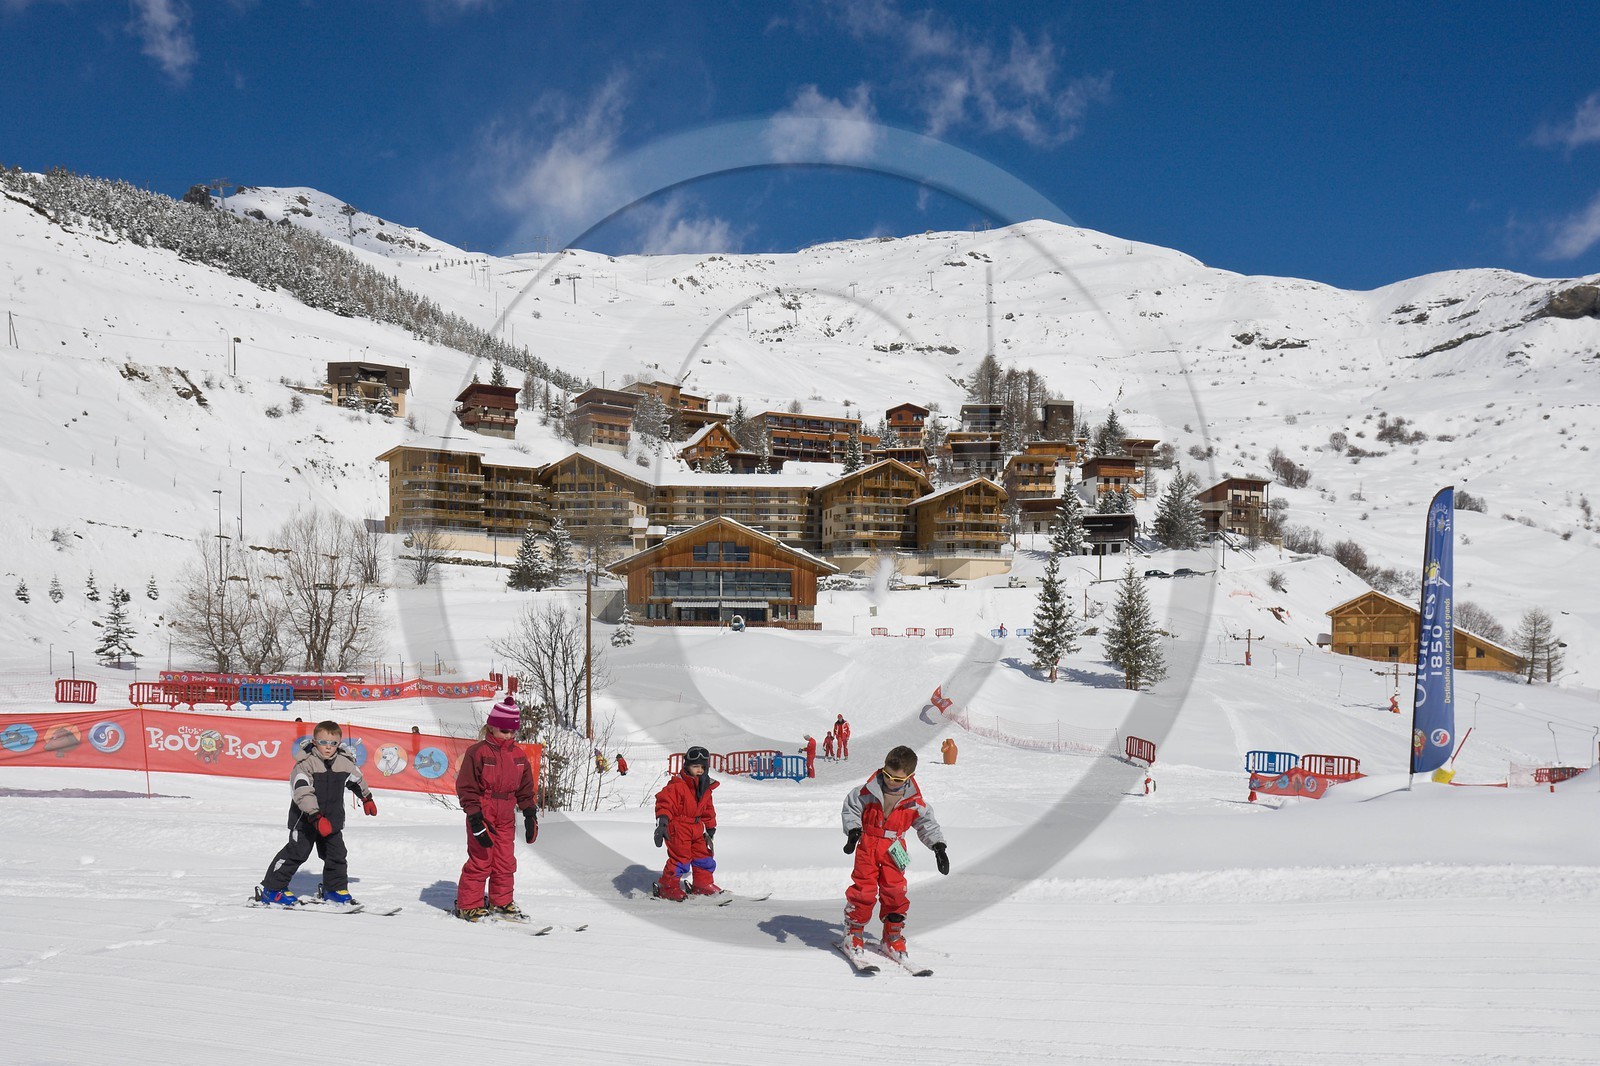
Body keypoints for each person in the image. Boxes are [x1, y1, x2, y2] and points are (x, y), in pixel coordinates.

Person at [841, 745, 948, 958]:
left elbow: (927, 824)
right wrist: (853, 830)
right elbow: (851, 808)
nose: (891, 781)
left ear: (910, 776)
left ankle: (892, 936)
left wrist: (938, 847)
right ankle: (853, 932)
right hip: (868, 845)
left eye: (897, 779)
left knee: (896, 891)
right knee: (864, 890)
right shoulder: (865, 792)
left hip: (895, 848)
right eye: (887, 775)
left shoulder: (914, 802)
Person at [257, 720, 377, 907]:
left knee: (336, 854)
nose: (328, 748)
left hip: (331, 820)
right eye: (323, 743)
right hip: (305, 820)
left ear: (339, 743)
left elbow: (356, 779)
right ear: (314, 741)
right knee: (297, 853)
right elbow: (302, 791)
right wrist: (314, 815)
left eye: (333, 743)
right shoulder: (305, 764)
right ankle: (272, 889)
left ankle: (334, 890)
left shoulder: (344, 762)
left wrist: (367, 798)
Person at [453, 697, 538, 922]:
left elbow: (526, 788)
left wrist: (529, 813)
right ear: (491, 726)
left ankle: (501, 902)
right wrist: (474, 817)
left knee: (505, 861)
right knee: (481, 859)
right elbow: (467, 786)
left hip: (506, 814)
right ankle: (468, 905)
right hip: (483, 811)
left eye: (513, 731)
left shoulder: (519, 756)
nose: (509, 735)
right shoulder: (477, 752)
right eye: (504, 730)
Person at [653, 745, 719, 900]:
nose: (700, 770)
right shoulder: (678, 786)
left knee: (704, 856)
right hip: (678, 828)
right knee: (680, 859)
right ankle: (667, 887)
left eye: (703, 767)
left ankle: (702, 884)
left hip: (696, 828)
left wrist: (710, 827)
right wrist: (662, 823)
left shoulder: (705, 788)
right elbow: (664, 803)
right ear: (687, 766)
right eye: (695, 766)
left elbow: (708, 808)